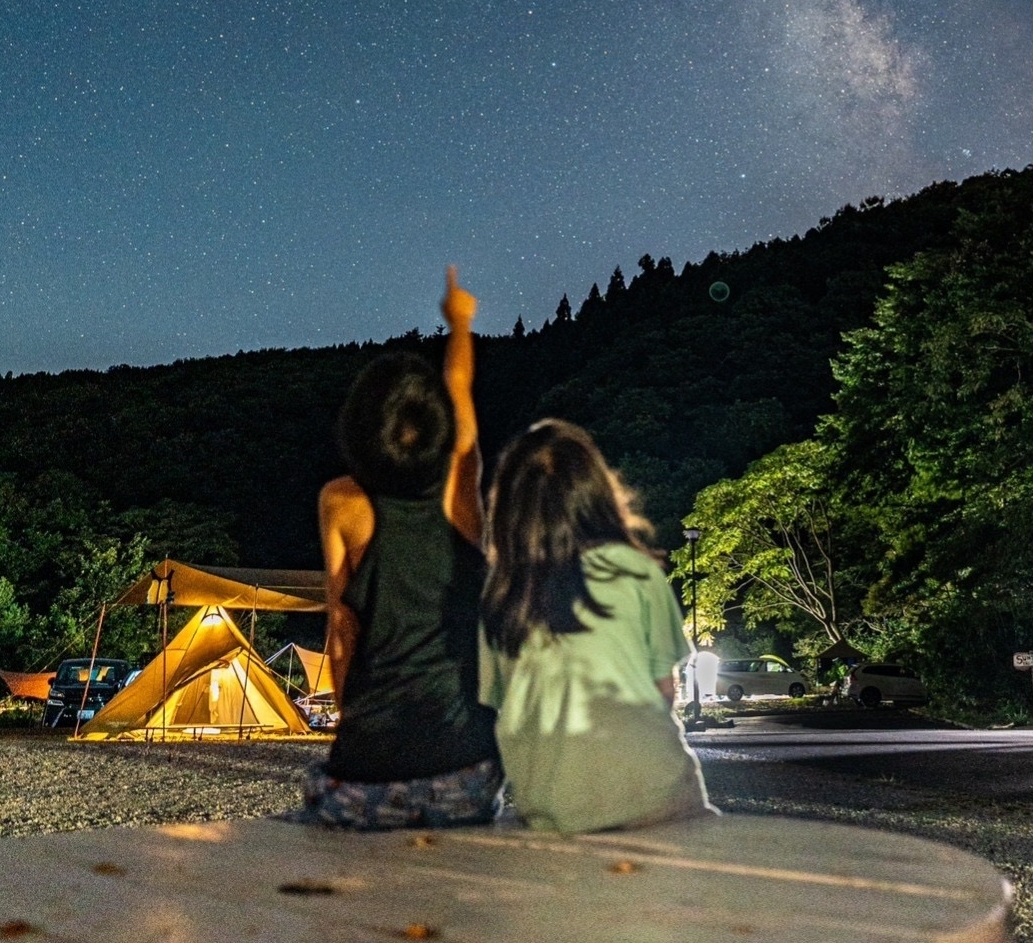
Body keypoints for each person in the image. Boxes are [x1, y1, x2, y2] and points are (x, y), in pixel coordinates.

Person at [293, 267, 500, 829]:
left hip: (367, 778)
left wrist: (349, 724)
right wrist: (460, 322)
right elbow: (459, 387)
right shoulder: (460, 497)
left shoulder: (340, 503)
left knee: (314, 801)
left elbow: (342, 630)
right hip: (466, 777)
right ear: (442, 435)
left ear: (358, 431)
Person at [478, 419, 716, 834]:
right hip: (656, 793)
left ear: (510, 510)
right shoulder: (637, 570)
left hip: (553, 807)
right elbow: (664, 690)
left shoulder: (501, 594)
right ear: (598, 495)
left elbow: (500, 703)